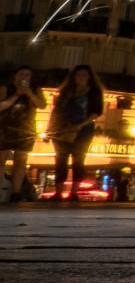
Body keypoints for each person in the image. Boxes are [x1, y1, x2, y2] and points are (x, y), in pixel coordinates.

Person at [47, 65, 104, 202]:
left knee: (78, 160)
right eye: (79, 75)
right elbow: (56, 110)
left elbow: (96, 112)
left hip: (83, 131)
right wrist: (50, 128)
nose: (81, 78)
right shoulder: (66, 91)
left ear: (89, 77)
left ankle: (74, 192)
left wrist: (80, 124)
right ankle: (59, 192)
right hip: (62, 129)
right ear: (74, 76)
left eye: (84, 75)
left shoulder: (94, 92)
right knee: (60, 160)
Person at [1, 66, 46, 203]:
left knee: (20, 162)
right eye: (21, 74)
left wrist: (29, 94)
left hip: (25, 128)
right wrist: (16, 95)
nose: (24, 77)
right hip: (5, 127)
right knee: (1, 159)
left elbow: (42, 105)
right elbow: (2, 105)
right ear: (15, 76)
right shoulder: (5, 88)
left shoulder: (36, 90)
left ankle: (16, 191)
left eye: (27, 75)